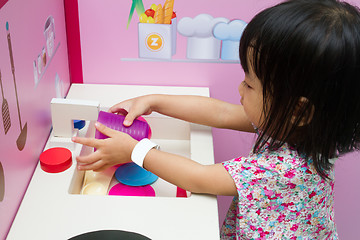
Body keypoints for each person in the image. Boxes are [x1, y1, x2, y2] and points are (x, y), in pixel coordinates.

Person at [72, 0, 360, 238]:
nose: (239, 89)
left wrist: (134, 151)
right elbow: (219, 112)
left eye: (249, 84)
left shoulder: (283, 170)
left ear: (298, 111)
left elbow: (199, 178)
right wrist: (156, 102)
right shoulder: (295, 126)